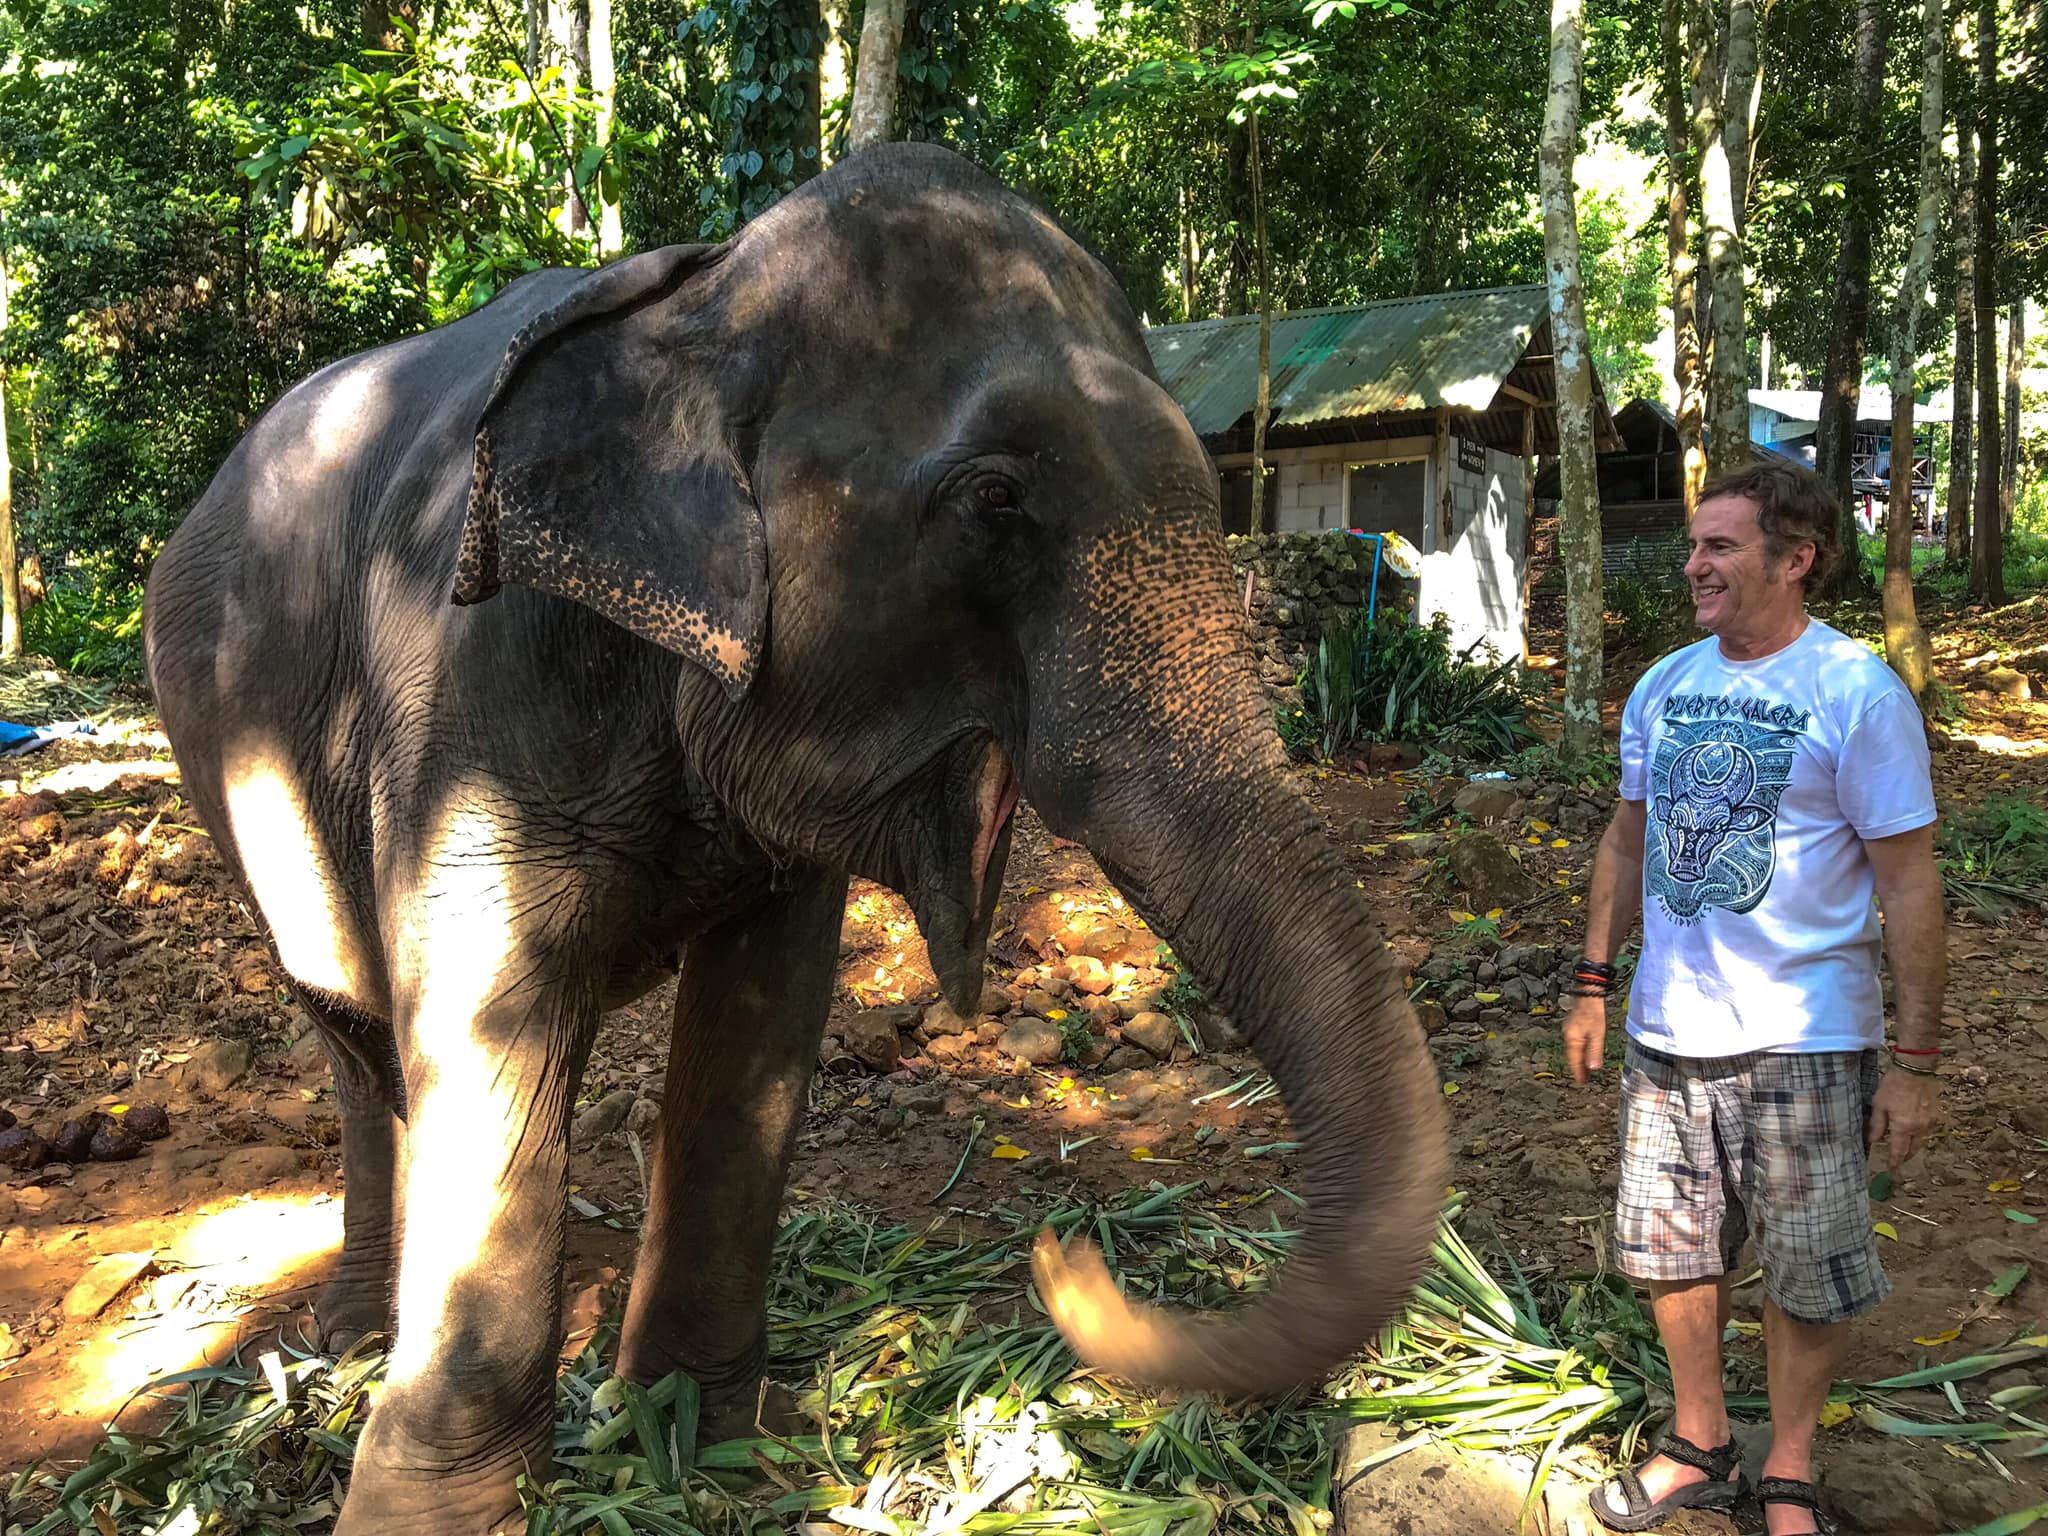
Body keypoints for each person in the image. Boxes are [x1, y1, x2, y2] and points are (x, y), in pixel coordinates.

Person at [1567, 460, 1946, 1536]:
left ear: (1795, 558)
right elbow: (1625, 837)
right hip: (1665, 1033)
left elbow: (1909, 880)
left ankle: (1785, 1467)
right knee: (1669, 1249)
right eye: (1693, 545)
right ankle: (1698, 1440)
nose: (1693, 564)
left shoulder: (1854, 693)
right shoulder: (1665, 684)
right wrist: (1593, 980)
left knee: (1810, 1267)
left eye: (1718, 546)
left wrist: (1913, 1063)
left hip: (1803, 1038)